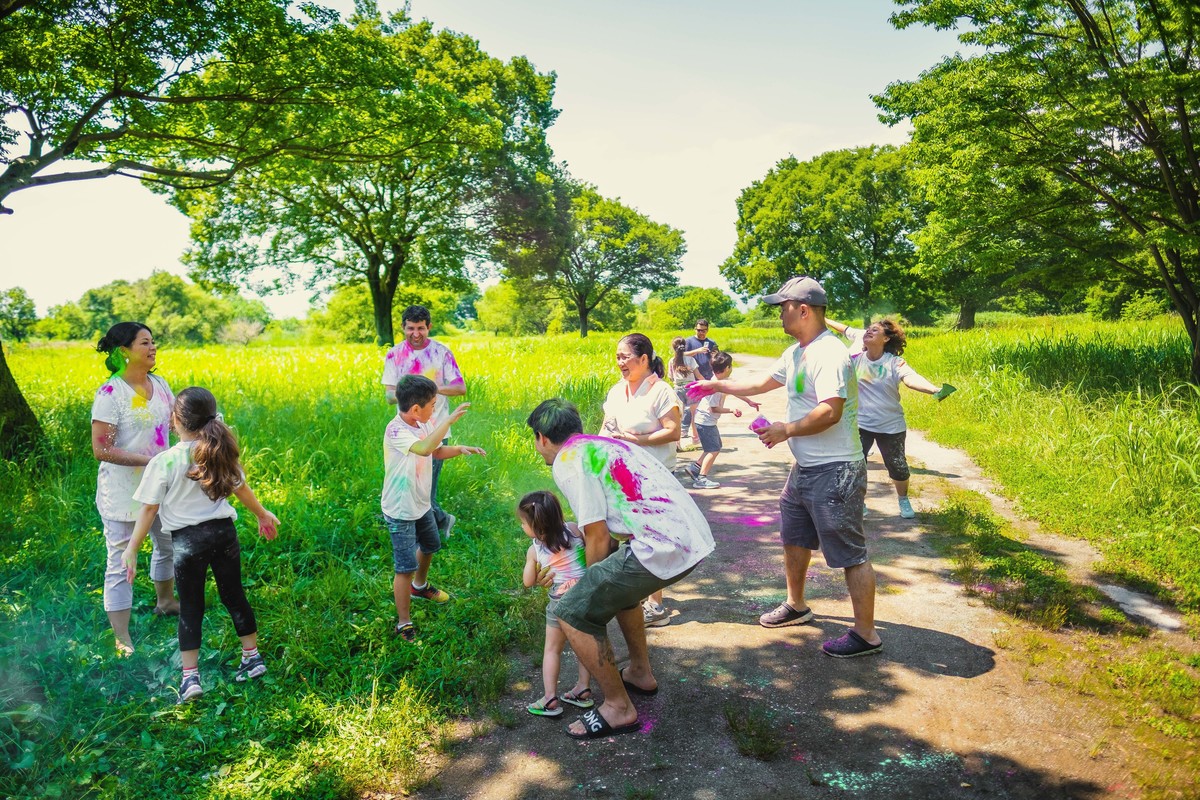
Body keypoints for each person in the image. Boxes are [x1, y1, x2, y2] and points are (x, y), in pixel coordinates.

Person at [690, 276, 883, 658]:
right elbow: (763, 382)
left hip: (837, 470)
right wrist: (719, 387)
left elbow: (831, 411)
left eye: (783, 307)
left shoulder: (828, 353)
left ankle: (866, 635)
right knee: (794, 537)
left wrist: (784, 430)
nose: (780, 313)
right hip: (806, 468)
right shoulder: (797, 351)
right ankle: (797, 605)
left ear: (804, 310)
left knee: (850, 552)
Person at [527, 399, 715, 739]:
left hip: (662, 546)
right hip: (688, 537)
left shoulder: (568, 461)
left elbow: (596, 535)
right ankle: (640, 672)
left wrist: (583, 588)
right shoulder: (601, 445)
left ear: (542, 437)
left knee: (572, 610)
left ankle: (618, 707)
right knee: (619, 590)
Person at [122, 387, 280, 703]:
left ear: (177, 420)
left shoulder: (164, 462)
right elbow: (242, 489)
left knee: (191, 607)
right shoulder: (220, 451)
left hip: (187, 542)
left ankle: (190, 679)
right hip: (223, 534)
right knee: (234, 595)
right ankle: (252, 657)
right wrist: (262, 514)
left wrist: (132, 548)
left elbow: (149, 509)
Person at [91, 322, 177, 655]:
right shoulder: (111, 393)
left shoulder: (160, 384)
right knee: (121, 562)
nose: (153, 347)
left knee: (167, 545)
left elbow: (173, 425)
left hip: (161, 489)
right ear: (124, 351)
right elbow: (102, 449)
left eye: (154, 341)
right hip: (124, 494)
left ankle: (166, 601)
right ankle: (121, 636)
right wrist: (148, 460)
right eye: (145, 342)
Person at [383, 375, 485, 642]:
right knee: (404, 566)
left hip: (421, 503)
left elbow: (436, 451)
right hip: (401, 509)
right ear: (416, 409)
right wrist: (447, 422)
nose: (435, 409)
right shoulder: (396, 431)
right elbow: (425, 449)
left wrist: (461, 448)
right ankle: (403, 622)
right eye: (432, 404)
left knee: (431, 544)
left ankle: (420, 586)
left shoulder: (421, 424)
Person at [826, 317, 955, 519]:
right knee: (855, 464)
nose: (868, 331)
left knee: (898, 466)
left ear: (886, 338)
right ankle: (858, 502)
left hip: (890, 425)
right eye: (868, 329)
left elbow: (911, 380)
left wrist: (934, 390)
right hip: (861, 424)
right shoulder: (855, 360)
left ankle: (903, 499)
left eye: (874, 330)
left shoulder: (894, 363)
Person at [599, 332, 681, 627]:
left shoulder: (661, 392)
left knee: (654, 541)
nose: (620, 362)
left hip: (656, 479)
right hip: (623, 478)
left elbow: (673, 432)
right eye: (617, 356)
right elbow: (607, 428)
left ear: (644, 359)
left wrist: (636, 439)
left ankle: (655, 605)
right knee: (632, 538)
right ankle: (631, 596)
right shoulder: (616, 391)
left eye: (625, 356)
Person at [382, 305, 466, 540]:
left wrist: (429, 389)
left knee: (426, 488)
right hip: (406, 431)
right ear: (403, 327)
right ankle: (437, 521)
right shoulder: (394, 354)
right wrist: (412, 394)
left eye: (421, 328)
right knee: (409, 486)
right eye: (410, 328)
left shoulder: (442, 353)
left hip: (435, 428)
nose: (416, 334)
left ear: (429, 327)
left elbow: (460, 388)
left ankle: (428, 533)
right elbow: (389, 395)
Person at [517, 491, 593, 718]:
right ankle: (583, 689)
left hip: (561, 601)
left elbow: (528, 582)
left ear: (536, 526)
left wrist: (531, 562)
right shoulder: (573, 528)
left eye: (523, 522)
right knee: (583, 646)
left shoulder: (535, 549)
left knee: (552, 649)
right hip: (587, 595)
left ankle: (550, 698)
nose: (521, 527)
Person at [683, 351, 741, 490]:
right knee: (713, 449)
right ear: (727, 368)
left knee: (714, 446)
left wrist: (749, 401)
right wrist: (731, 410)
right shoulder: (715, 386)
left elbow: (736, 390)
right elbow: (714, 409)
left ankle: (695, 468)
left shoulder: (719, 381)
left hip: (705, 421)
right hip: (705, 422)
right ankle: (702, 479)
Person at [667, 336, 702, 444]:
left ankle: (677, 442)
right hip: (691, 389)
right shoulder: (691, 360)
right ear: (685, 346)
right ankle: (695, 438)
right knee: (694, 414)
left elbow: (670, 377)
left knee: (678, 417)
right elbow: (698, 375)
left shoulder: (672, 361)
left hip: (677, 390)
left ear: (674, 348)